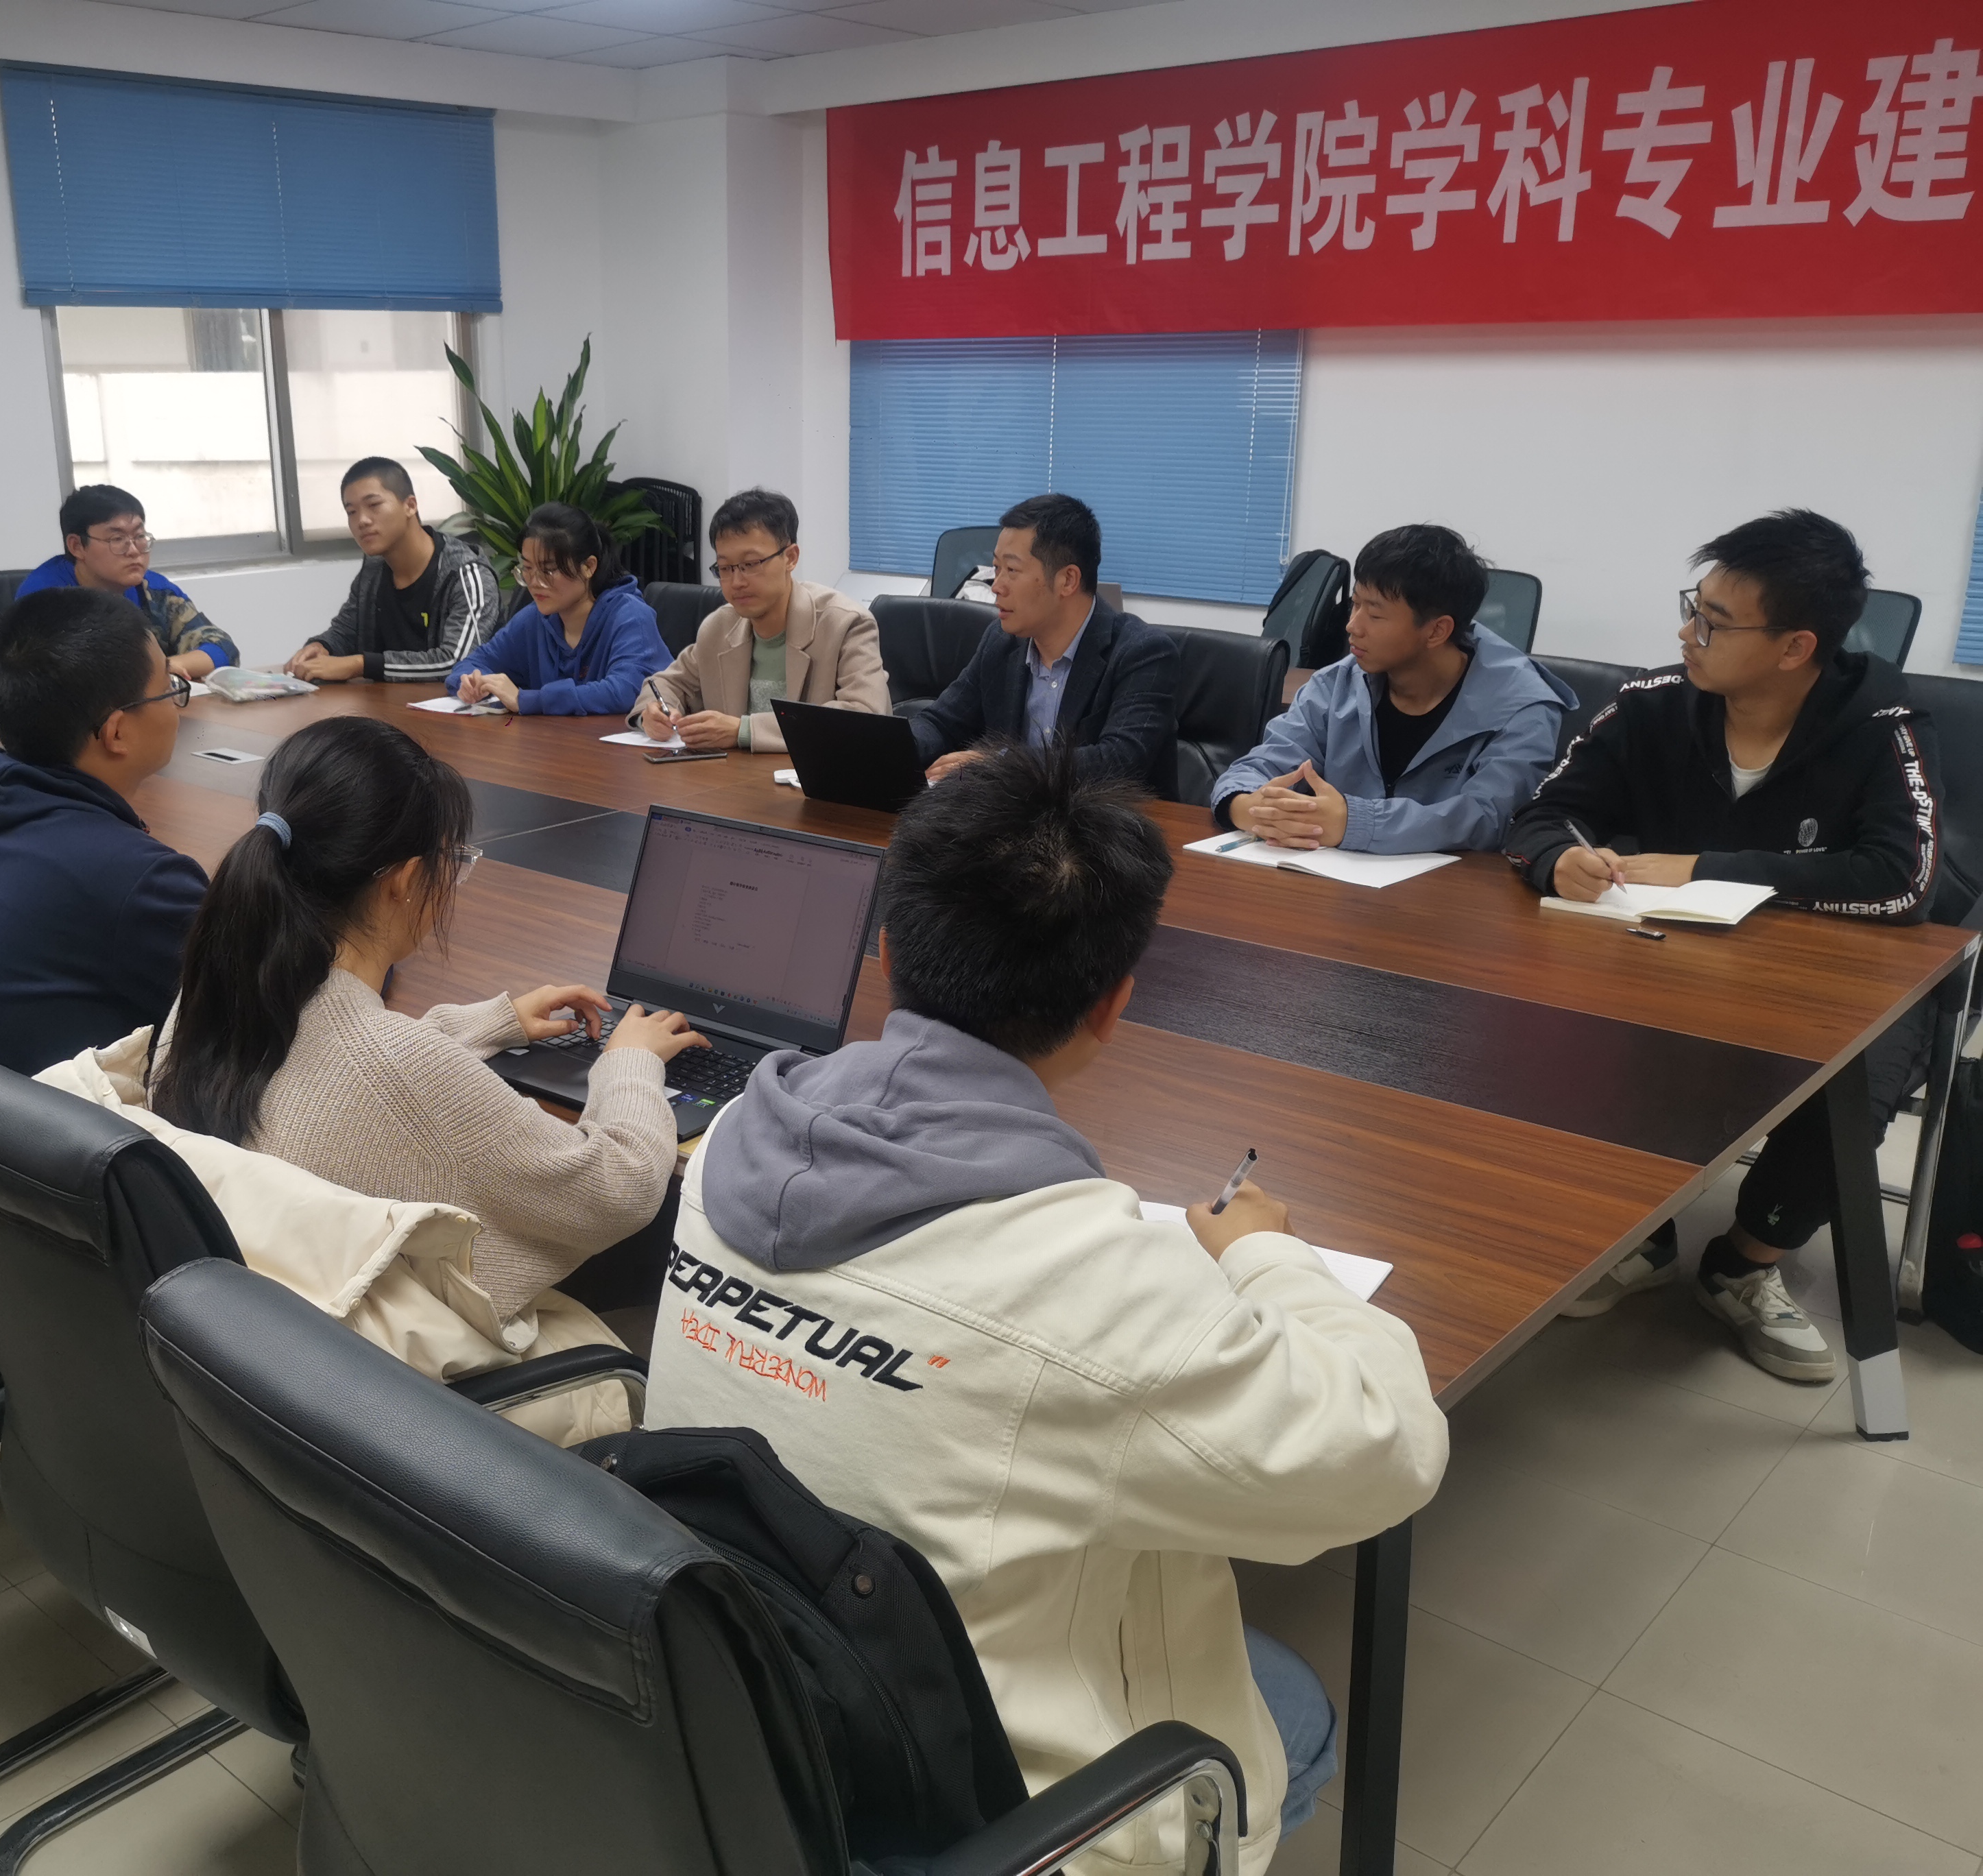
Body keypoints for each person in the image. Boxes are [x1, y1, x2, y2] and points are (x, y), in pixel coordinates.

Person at [645, 746, 1446, 1876]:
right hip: (963, 1801)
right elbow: (1387, 1453)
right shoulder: (1095, 1282)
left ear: (886, 950)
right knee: (1294, 1713)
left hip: (733, 1702)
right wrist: (1268, 1255)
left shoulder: (731, 1135)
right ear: (1112, 1003)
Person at [1506, 510, 1939, 1381]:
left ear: (1795, 647)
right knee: (1541, 1017)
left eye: (1713, 622)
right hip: (1662, 953)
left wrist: (1707, 868)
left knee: (1865, 1072)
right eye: (1692, 609)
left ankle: (1745, 1261)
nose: (1686, 635)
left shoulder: (1881, 721)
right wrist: (1560, 861)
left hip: (1822, 972)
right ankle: (1641, 1232)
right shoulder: (1652, 705)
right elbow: (1541, 816)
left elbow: (1903, 882)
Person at [149, 715, 703, 1320]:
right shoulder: (399, 1067)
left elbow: (344, 1067)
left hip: (254, 1336)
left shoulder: (218, 997)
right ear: (405, 880)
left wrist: (487, 1023)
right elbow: (620, 1188)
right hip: (397, 1363)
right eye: (453, 861)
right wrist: (631, 1061)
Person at [0, 588, 209, 1076]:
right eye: (168, 685)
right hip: (63, 1121)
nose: (176, 700)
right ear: (117, 732)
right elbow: (268, 1010)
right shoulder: (140, 880)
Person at [1212, 524, 1571, 852]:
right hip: (1332, 881)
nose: (1353, 626)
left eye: (1375, 614)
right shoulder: (1335, 685)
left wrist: (1356, 823)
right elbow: (1261, 766)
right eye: (1355, 604)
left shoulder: (1522, 708)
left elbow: (1491, 817)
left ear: (1437, 631)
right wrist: (1247, 806)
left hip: (1452, 892)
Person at [911, 494, 1179, 794]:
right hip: (1017, 815)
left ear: (1068, 581)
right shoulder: (1001, 642)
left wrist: (999, 764)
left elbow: (1120, 761)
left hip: (1109, 819)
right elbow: (942, 723)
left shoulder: (1143, 653)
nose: (996, 587)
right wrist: (894, 745)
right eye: (996, 568)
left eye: (1012, 571)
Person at [626, 487, 889, 752]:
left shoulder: (845, 624)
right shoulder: (719, 628)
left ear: (790, 558)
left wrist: (745, 731)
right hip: (733, 776)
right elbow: (666, 683)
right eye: (725, 568)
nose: (737, 582)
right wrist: (654, 714)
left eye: (751, 564)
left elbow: (867, 716)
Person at [283, 457, 499, 686]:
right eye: (352, 512)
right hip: (386, 703)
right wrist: (322, 647)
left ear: (410, 506)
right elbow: (347, 630)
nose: (362, 521)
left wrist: (360, 665)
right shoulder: (374, 570)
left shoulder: (467, 574)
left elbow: (458, 662)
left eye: (374, 505)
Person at [444, 504, 668, 716]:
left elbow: (627, 690)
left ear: (588, 567)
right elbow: (472, 663)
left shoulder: (630, 616)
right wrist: (474, 683)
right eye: (527, 568)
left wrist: (526, 699)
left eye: (549, 570)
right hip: (556, 739)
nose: (534, 582)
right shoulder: (535, 618)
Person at [17, 485, 239, 679]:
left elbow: (223, 648)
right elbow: (61, 678)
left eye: (139, 536)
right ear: (77, 546)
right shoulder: (45, 599)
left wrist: (169, 666)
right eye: (117, 539)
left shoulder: (154, 589)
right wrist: (154, 672)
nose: (134, 550)